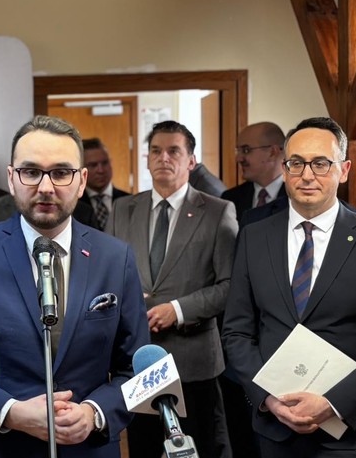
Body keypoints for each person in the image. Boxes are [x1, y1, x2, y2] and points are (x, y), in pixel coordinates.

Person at [0, 115, 149, 458]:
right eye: (31, 172)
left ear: (82, 181)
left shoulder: (116, 258)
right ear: (12, 179)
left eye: (61, 172)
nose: (45, 187)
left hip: (86, 449)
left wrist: (95, 412)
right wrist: (10, 412)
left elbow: (137, 367)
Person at [222, 117, 356, 457]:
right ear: (284, 170)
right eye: (296, 163)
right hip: (275, 432)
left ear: (344, 170)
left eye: (321, 163)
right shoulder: (254, 237)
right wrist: (267, 398)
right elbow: (236, 332)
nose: (307, 175)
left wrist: (333, 403)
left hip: (354, 436)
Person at [108, 120, 236, 458]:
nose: (163, 157)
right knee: (143, 449)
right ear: (147, 159)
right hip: (138, 361)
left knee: (201, 450)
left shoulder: (218, 211)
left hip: (194, 361)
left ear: (191, 161)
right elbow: (107, 276)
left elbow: (231, 285)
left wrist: (178, 310)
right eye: (156, 151)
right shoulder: (122, 209)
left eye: (173, 151)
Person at [222, 122, 286, 221]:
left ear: (272, 152)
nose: (238, 158)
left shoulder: (298, 197)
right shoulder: (230, 198)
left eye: (246, 150)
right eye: (238, 151)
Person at [77, 137, 129, 230]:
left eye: (105, 163)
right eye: (93, 165)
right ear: (82, 170)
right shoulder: (74, 204)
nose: (101, 170)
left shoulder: (129, 201)